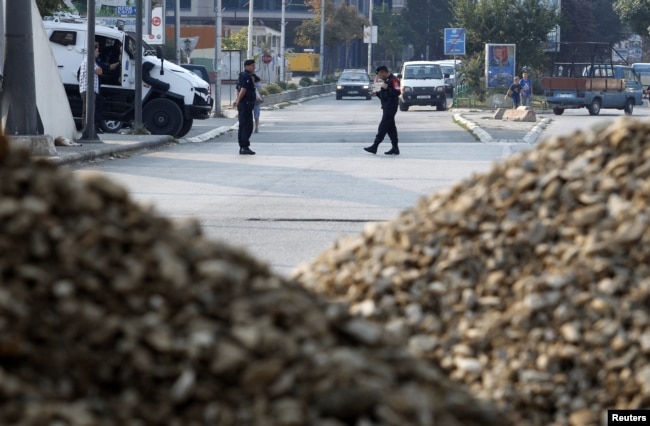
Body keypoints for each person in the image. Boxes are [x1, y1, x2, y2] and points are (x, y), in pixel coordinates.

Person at [364, 65, 401, 155]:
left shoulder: (394, 80)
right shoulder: (386, 81)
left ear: (384, 72)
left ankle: (375, 146)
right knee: (391, 129)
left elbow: (397, 92)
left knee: (383, 127)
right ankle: (395, 148)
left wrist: (386, 88)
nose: (379, 76)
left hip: (391, 107)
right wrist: (376, 94)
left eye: (380, 74)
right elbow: (384, 95)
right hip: (386, 107)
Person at [233, 59, 257, 155]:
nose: (254, 68)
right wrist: (238, 100)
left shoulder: (242, 75)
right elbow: (243, 89)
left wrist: (237, 100)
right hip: (246, 104)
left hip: (244, 104)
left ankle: (243, 146)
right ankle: (244, 146)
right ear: (247, 66)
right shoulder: (246, 76)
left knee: (243, 125)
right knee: (247, 126)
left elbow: (237, 89)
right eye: (252, 66)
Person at [79, 43, 103, 134]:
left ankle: (87, 128)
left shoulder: (91, 61)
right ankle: (87, 129)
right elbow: (99, 71)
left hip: (89, 89)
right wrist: (97, 70)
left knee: (88, 110)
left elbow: (99, 71)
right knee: (88, 110)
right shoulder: (89, 61)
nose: (98, 53)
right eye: (97, 51)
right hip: (88, 90)